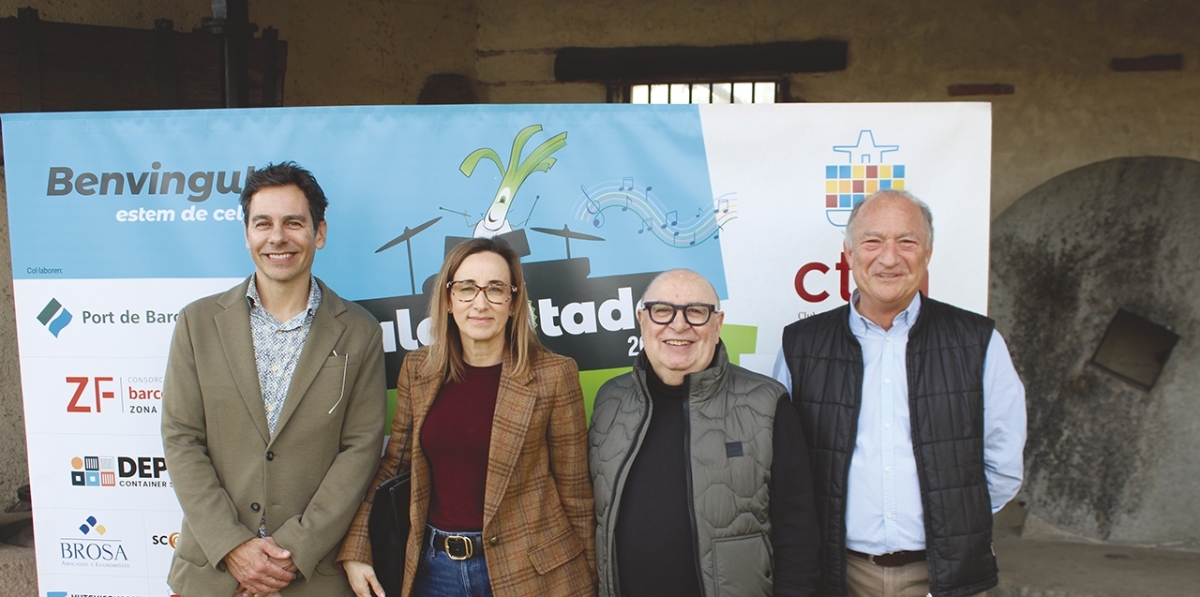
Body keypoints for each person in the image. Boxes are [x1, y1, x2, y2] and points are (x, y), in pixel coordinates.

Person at [776, 190, 1027, 597]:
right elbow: (783, 463)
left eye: (906, 242)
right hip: (836, 574)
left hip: (943, 576)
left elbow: (1002, 463)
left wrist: (957, 527)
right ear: (849, 254)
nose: (889, 258)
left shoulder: (978, 341)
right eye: (873, 242)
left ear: (927, 253)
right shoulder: (800, 346)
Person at [161, 162, 387, 597]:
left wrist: (292, 550)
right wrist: (233, 547)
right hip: (213, 573)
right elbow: (181, 437)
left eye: (293, 223)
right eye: (262, 223)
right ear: (246, 233)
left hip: (310, 574)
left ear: (319, 233)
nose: (277, 237)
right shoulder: (198, 323)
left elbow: (360, 448)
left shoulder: (359, 331)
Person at [338, 237, 596, 597]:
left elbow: (577, 494)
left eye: (495, 289)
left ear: (513, 301)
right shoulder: (418, 370)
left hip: (533, 572)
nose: (480, 302)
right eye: (466, 288)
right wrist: (357, 548)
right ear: (447, 299)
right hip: (434, 572)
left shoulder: (554, 375)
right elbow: (393, 467)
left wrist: (591, 578)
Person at [590, 268, 820, 597]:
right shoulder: (609, 401)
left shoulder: (767, 404)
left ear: (717, 324)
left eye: (696, 312)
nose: (679, 325)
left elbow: (798, 536)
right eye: (662, 310)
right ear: (642, 320)